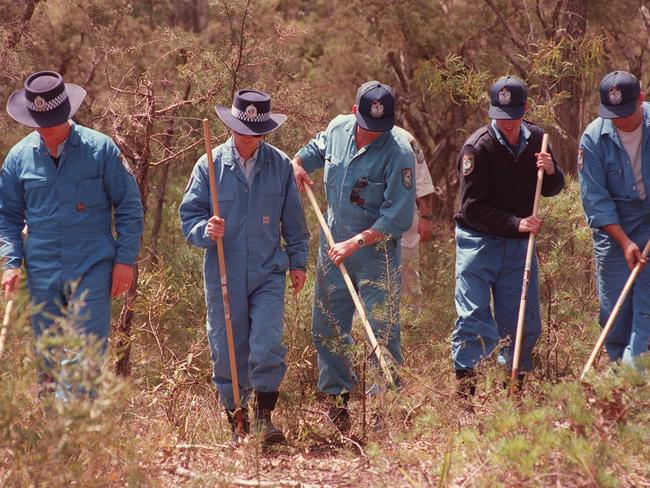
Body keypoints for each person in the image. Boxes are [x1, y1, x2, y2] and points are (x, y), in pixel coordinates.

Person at [0, 71, 144, 394]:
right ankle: (54, 432)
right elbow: (7, 216)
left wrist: (125, 260)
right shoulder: (18, 159)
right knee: (48, 360)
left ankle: (73, 435)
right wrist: (10, 262)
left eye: (51, 118)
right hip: (42, 270)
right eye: (38, 119)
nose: (44, 127)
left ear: (67, 112)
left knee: (84, 355)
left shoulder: (101, 150)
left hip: (92, 266)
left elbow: (130, 208)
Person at [179, 89, 309, 444]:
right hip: (224, 270)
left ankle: (264, 417)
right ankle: (236, 419)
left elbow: (295, 224)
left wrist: (298, 262)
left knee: (267, 342)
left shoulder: (280, 165)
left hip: (268, 271)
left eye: (256, 133)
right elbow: (188, 217)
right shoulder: (209, 163)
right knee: (227, 347)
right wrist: (204, 230)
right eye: (242, 131)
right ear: (231, 126)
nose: (248, 139)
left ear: (265, 132)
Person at [291, 81, 415, 430]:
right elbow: (312, 151)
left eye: (381, 128)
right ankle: (337, 401)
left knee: (382, 330)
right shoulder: (337, 128)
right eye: (367, 125)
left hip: (376, 251)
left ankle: (385, 410)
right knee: (327, 326)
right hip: (333, 244)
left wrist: (356, 243)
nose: (373, 134)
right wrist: (298, 163)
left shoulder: (399, 151)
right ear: (353, 112)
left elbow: (398, 218)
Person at [452, 75, 565, 398]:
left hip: (518, 248)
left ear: (524, 109)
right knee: (473, 318)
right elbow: (471, 208)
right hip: (478, 242)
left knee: (522, 324)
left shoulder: (538, 139)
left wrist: (552, 170)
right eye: (501, 117)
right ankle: (465, 400)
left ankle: (513, 396)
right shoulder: (478, 147)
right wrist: (516, 223)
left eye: (514, 115)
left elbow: (554, 188)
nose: (508, 123)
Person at [579, 70, 650, 367]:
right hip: (614, 228)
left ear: (641, 99)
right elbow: (596, 199)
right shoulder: (593, 138)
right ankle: (619, 375)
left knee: (646, 307)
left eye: (624, 112)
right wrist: (624, 242)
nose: (619, 120)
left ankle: (640, 376)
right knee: (615, 308)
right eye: (612, 113)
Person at [394, 127, 435, 308]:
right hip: (367, 222)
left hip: (404, 222)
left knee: (408, 278)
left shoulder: (405, 139)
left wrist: (426, 217)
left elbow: (421, 179)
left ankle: (411, 328)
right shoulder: (356, 137)